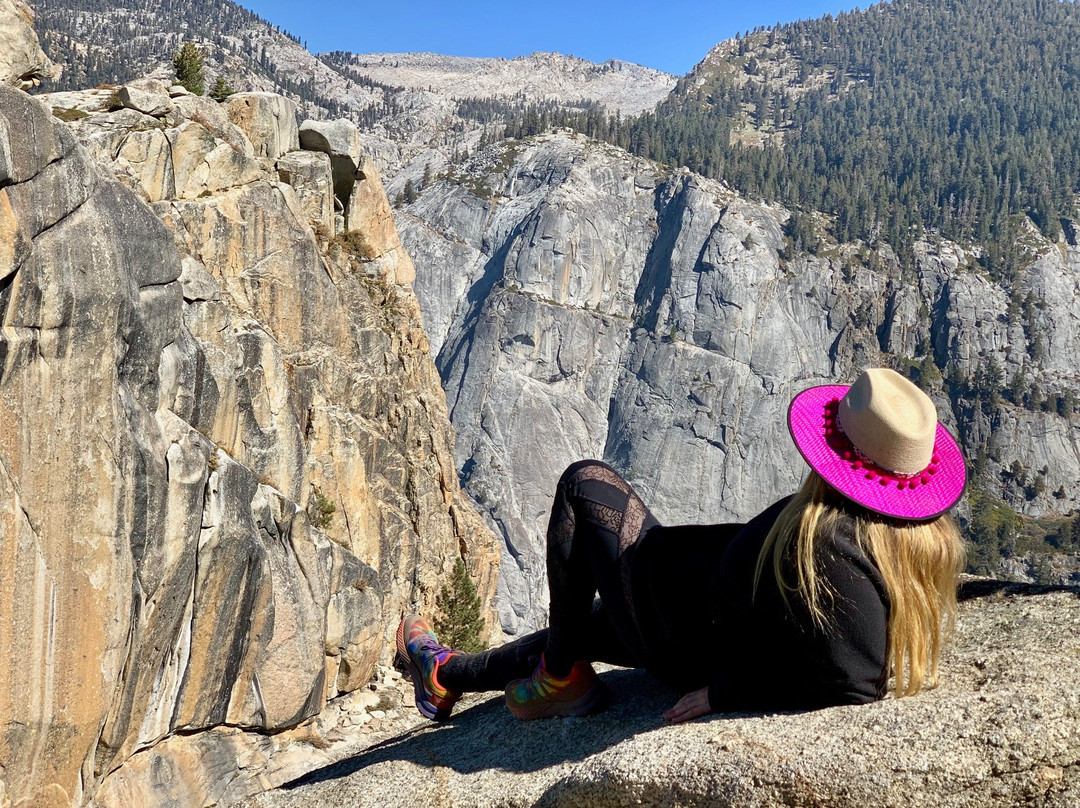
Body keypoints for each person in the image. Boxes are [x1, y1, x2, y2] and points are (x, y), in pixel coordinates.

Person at [396, 367, 967, 722]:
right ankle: (448, 675)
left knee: (583, 484)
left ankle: (558, 679)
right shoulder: (909, 542)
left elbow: (854, 680)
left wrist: (725, 692)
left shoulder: (833, 544)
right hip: (687, 603)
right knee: (579, 631)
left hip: (673, 625)